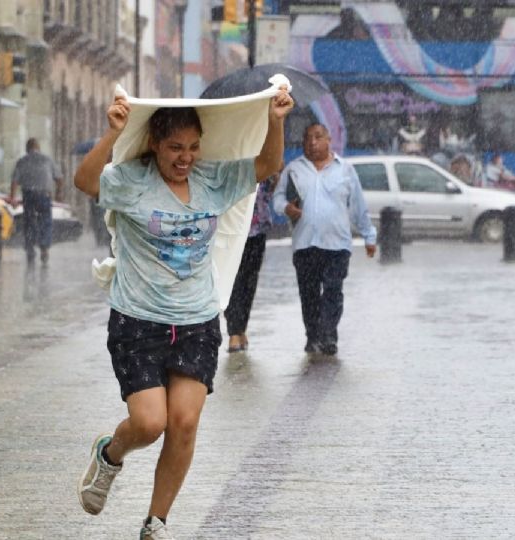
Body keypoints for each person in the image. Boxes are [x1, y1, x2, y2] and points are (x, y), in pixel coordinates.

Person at [73, 86, 293, 538]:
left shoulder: (214, 180)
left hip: (196, 321)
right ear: (155, 143)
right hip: (137, 321)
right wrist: (111, 134)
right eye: (175, 147)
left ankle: (156, 523)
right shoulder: (132, 181)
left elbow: (268, 165)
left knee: (185, 423)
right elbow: (85, 181)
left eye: (192, 147)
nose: (185, 157)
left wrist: (275, 119)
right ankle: (109, 455)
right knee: (151, 423)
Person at [273, 123, 377, 356]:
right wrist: (286, 208)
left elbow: (358, 206)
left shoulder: (346, 170)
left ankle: (328, 336)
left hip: (337, 245)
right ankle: (312, 337)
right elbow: (277, 199)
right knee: (308, 294)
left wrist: (369, 236)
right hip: (305, 244)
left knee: (333, 290)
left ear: (329, 139)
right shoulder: (294, 169)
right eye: (308, 138)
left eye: (318, 137)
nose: (312, 142)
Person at [225, 173, 278, 353]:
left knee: (249, 282)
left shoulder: (265, 164)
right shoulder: (232, 163)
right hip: (233, 231)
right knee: (233, 281)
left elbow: (270, 192)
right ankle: (233, 331)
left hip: (257, 230)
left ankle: (241, 328)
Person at [9, 138, 63, 264]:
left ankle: (30, 248)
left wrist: (12, 198)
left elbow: (15, 181)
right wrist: (59, 192)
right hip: (44, 195)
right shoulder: (47, 160)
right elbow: (59, 178)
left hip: (29, 195)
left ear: (27, 149)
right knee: (45, 221)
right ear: (38, 147)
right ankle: (44, 248)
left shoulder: (22, 161)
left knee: (29, 221)